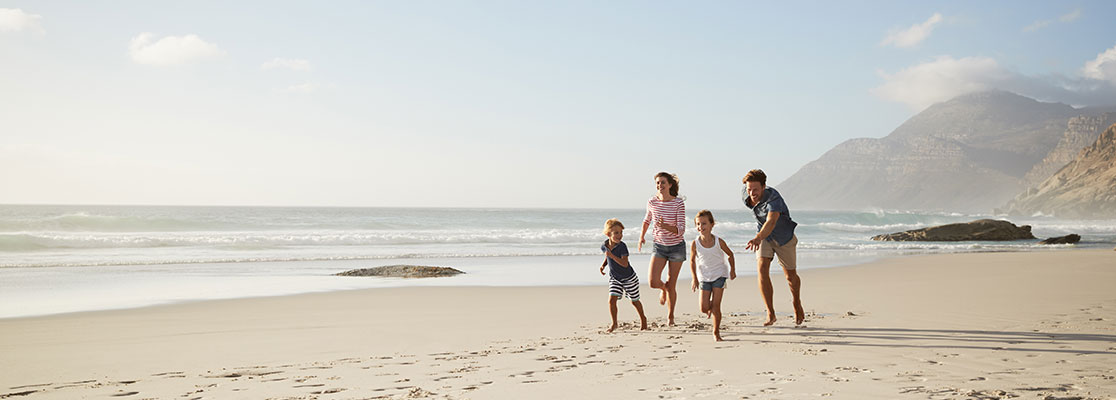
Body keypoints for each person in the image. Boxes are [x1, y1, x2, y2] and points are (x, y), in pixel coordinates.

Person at [741, 169, 804, 326]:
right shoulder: (746, 194)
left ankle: (796, 302)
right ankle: (770, 313)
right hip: (764, 236)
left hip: (784, 237)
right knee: (762, 268)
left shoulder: (774, 199)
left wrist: (757, 238)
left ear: (764, 187)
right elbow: (764, 223)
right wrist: (760, 237)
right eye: (749, 189)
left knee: (790, 276)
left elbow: (771, 222)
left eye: (755, 189)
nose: (752, 193)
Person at [639, 172, 686, 326]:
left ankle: (670, 317)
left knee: (672, 284)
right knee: (653, 282)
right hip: (659, 246)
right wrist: (641, 236)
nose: (660, 185)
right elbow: (647, 220)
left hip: (676, 248)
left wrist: (664, 226)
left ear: (670, 185)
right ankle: (663, 289)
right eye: (658, 183)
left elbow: (681, 230)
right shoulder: (652, 202)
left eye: (663, 182)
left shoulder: (678, 203)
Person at [689, 210, 736, 341]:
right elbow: (692, 261)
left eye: (704, 223)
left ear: (712, 224)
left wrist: (732, 270)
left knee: (716, 306)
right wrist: (694, 278)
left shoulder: (719, 242)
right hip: (704, 277)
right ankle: (711, 311)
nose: (700, 227)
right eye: (698, 224)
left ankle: (716, 332)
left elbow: (730, 254)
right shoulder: (695, 243)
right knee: (704, 307)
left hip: (719, 275)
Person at [600, 218, 649, 332]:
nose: (620, 235)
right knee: (611, 300)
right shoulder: (604, 246)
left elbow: (624, 263)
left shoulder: (622, 246)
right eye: (616, 233)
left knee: (634, 301)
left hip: (629, 278)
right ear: (608, 234)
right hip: (615, 278)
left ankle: (643, 319)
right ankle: (614, 323)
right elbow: (608, 257)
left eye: (621, 232)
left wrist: (612, 256)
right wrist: (603, 265)